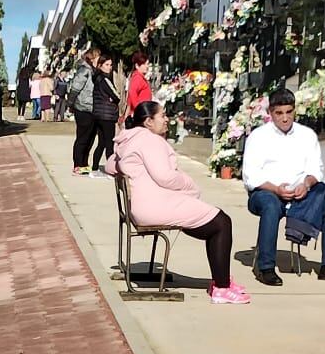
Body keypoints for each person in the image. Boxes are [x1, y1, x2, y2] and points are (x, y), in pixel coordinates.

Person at [107, 101, 249, 303]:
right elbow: (165, 176)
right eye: (162, 116)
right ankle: (222, 288)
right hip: (154, 206)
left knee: (209, 220)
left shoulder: (130, 139)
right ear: (148, 121)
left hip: (145, 205)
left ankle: (221, 279)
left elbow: (110, 165)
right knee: (221, 222)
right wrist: (190, 186)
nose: (167, 120)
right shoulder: (149, 141)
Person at [241, 88, 325, 287]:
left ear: (294, 111)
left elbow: (317, 169)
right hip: (266, 191)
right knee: (271, 206)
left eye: (289, 112)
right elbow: (251, 176)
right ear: (270, 113)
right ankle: (266, 267)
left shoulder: (306, 135)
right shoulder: (258, 136)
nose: (284, 118)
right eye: (279, 113)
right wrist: (276, 189)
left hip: (301, 192)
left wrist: (306, 184)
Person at [67, 49, 102, 174]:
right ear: (91, 58)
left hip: (93, 108)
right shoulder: (84, 70)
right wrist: (70, 104)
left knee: (91, 137)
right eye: (98, 56)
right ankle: (78, 164)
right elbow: (75, 88)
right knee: (82, 137)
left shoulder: (95, 71)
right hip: (83, 108)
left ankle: (84, 163)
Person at [89, 54, 121, 175]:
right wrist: (113, 99)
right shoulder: (104, 79)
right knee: (109, 143)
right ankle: (111, 169)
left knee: (101, 142)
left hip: (98, 114)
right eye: (107, 65)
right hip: (107, 115)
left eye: (111, 65)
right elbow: (117, 96)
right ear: (100, 66)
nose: (109, 67)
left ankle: (95, 166)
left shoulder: (96, 78)